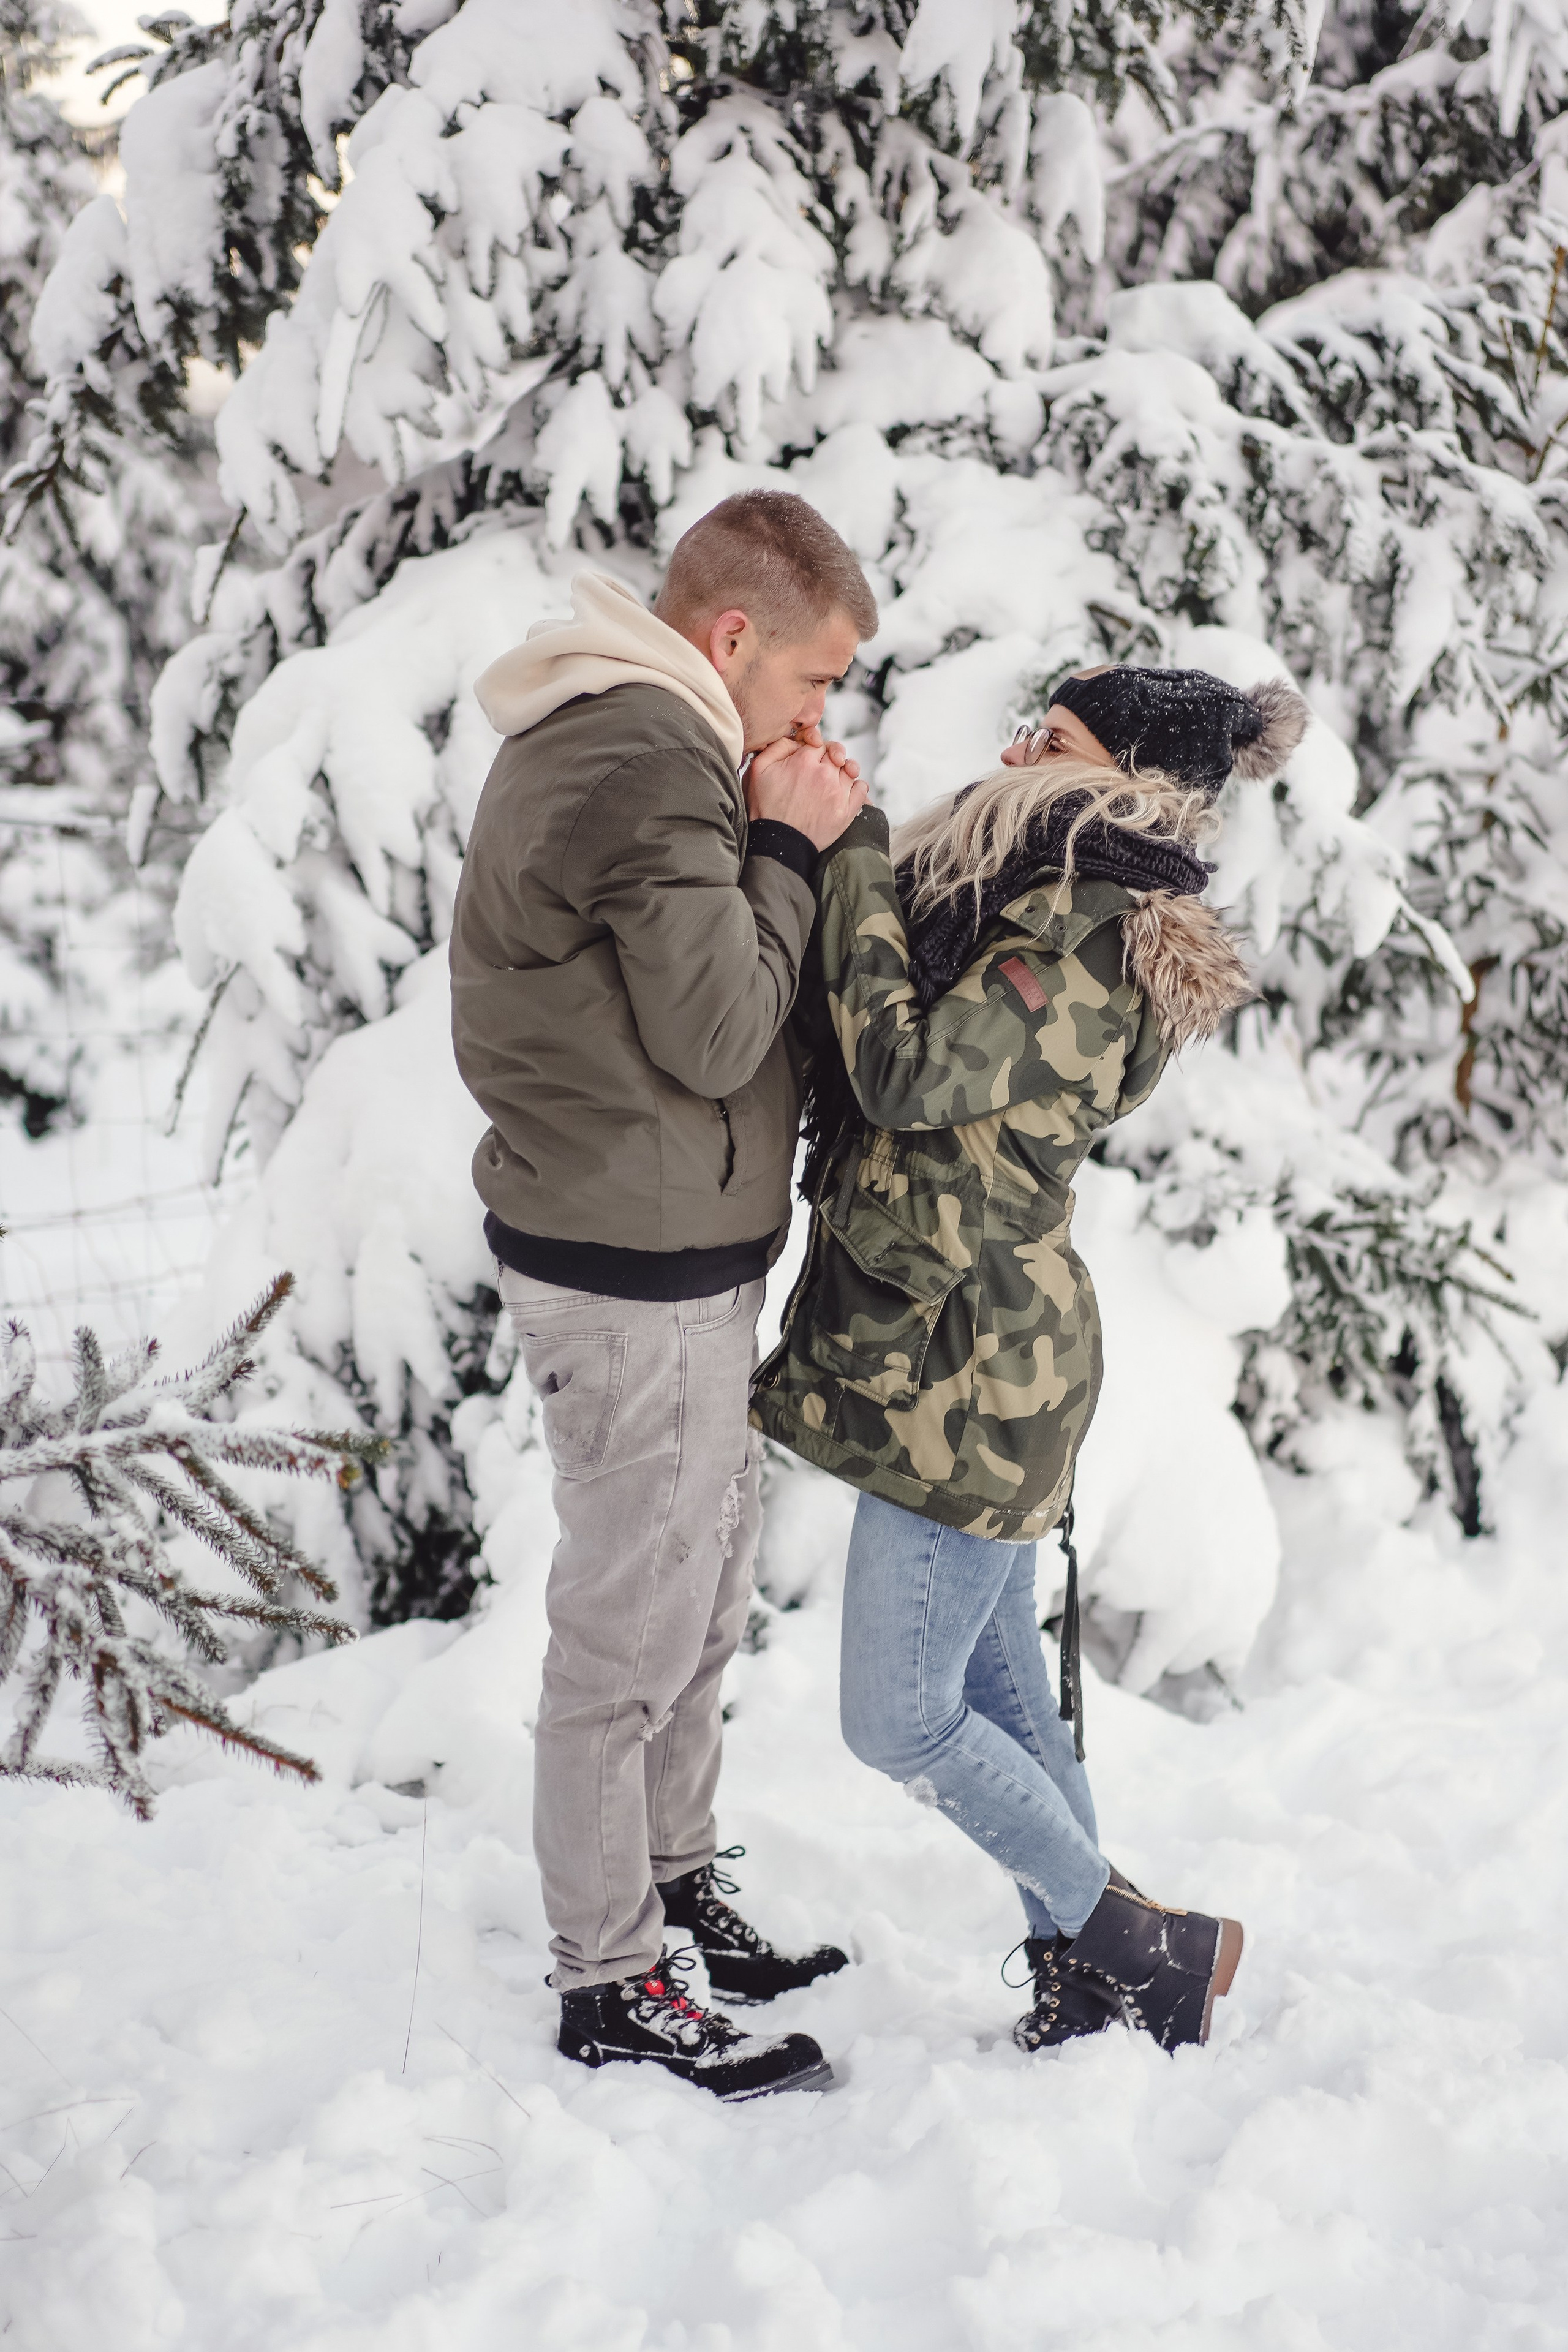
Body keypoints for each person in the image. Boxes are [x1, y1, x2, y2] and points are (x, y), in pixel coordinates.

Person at [753, 663, 1310, 2052]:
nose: (1013, 753)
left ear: (1125, 777)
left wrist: (848, 852)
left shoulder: (1084, 930)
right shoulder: (1039, 891)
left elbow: (903, 1074)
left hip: (975, 1378)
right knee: (1004, 1696)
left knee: (897, 1720)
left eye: (1050, 738)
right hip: (965, 1347)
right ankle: (1094, 1973)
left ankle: (1138, 1940)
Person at [450, 491, 874, 2100]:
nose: (817, 716)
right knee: (628, 1633)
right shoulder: (645, 751)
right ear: (733, 637)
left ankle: (672, 1889)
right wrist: (789, 845)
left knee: (692, 1604)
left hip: (668, 1251)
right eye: (815, 679)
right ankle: (611, 1976)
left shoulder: (653, 732)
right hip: (630, 1273)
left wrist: (776, 833)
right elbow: (713, 1032)